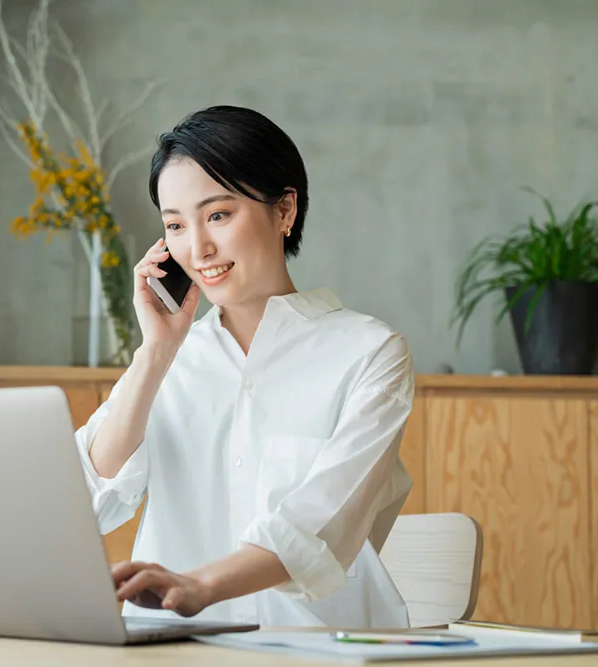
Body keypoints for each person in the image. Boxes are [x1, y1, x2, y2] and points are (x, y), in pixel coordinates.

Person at [73, 105, 415, 628]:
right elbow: (90, 504)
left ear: (284, 211)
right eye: (175, 225)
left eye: (217, 215)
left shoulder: (369, 353)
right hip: (175, 651)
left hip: (318, 652)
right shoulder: (170, 359)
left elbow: (319, 526)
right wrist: (156, 353)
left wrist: (201, 586)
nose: (198, 247)